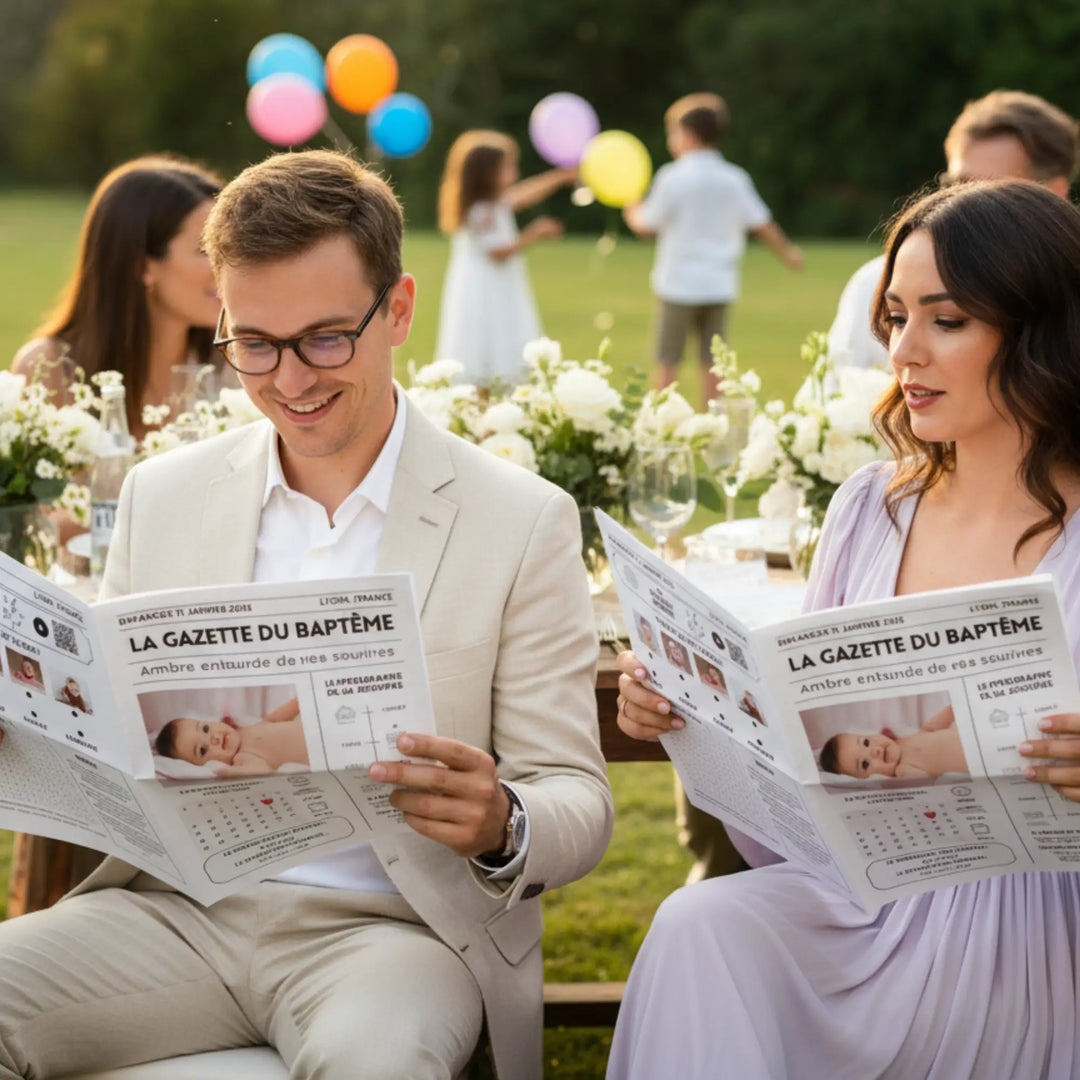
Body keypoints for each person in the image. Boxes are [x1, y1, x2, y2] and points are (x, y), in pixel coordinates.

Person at [0, 150, 612, 1080]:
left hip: (388, 935)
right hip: (173, 913)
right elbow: (112, 740)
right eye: (253, 343)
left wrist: (502, 819)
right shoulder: (167, 494)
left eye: (327, 338)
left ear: (398, 309)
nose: (290, 380)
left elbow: (578, 795)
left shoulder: (519, 519)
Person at [607, 178, 1080, 1078]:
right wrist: (688, 710)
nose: (903, 350)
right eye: (894, 316)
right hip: (862, 898)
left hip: (1035, 923)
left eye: (946, 321)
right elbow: (803, 760)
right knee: (701, 923)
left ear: (1037, 330)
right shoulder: (869, 506)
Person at [827, 89, 1079, 371]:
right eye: (897, 319)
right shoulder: (876, 283)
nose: (963, 202)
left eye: (991, 191)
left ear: (1053, 195)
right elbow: (832, 393)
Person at [13, 153, 226, 439]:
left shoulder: (233, 365)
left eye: (230, 246)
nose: (231, 266)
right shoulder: (48, 370)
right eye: (206, 251)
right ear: (140, 265)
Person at [624, 92, 803, 403]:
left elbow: (646, 225)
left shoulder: (672, 177)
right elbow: (762, 224)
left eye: (673, 132)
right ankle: (714, 431)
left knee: (667, 362)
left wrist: (631, 205)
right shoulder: (734, 178)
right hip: (718, 284)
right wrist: (787, 253)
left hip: (677, 285)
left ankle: (659, 427)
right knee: (714, 365)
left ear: (688, 134)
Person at [435, 130, 575, 387]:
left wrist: (559, 177)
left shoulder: (493, 203)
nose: (514, 173)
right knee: (487, 342)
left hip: (495, 284)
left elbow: (526, 193)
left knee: (497, 339)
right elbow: (498, 252)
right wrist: (534, 233)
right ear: (486, 174)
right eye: (507, 167)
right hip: (485, 289)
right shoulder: (481, 211)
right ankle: (485, 402)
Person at [154, 698, 307, 776]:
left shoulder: (251, 726)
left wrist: (300, 700)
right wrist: (230, 773)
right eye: (202, 750)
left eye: (206, 729)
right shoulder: (243, 757)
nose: (214, 739)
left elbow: (273, 719)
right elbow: (263, 770)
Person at [820, 705, 967, 780]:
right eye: (865, 764)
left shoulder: (909, 738)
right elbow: (928, 781)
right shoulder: (902, 770)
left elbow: (929, 728)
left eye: (865, 742)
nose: (874, 751)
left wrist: (951, 709)